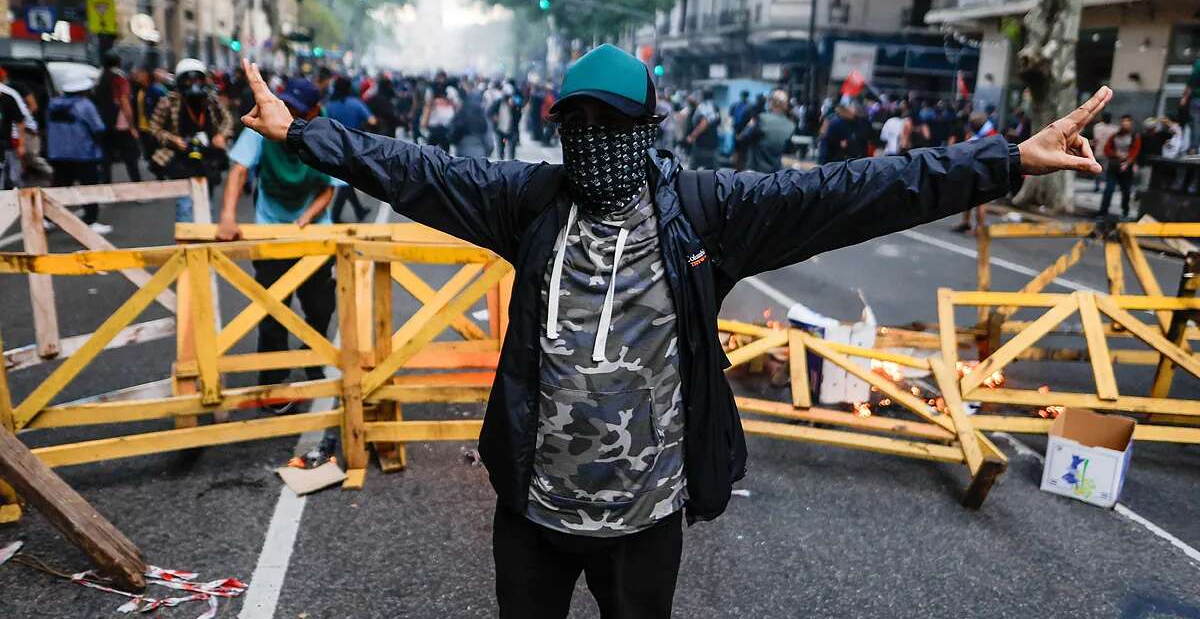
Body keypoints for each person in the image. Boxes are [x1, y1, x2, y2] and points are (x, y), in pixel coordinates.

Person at [237, 41, 1109, 618]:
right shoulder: (529, 203)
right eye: (574, 124)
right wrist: (305, 136)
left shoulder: (709, 213)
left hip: (645, 521)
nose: (590, 138)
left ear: (646, 127)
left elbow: (855, 190)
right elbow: (417, 170)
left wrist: (1004, 160)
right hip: (532, 514)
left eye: (609, 124)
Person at [216, 76, 340, 455]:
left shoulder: (324, 133)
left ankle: (313, 360)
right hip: (270, 231)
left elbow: (329, 187)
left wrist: (307, 218)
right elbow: (238, 171)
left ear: (314, 112)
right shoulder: (264, 127)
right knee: (272, 310)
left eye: (299, 112)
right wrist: (227, 217)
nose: (289, 116)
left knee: (321, 307)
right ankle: (274, 384)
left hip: (313, 232)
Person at [149, 58, 234, 222]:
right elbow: (154, 128)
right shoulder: (168, 102)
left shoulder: (211, 100)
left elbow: (227, 119)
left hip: (208, 156)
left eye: (197, 79)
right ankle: (187, 245)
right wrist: (173, 139)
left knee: (207, 204)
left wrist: (221, 135)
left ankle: (206, 241)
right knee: (185, 206)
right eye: (189, 79)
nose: (194, 83)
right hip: (182, 159)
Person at [45, 73, 109, 233]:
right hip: (84, 154)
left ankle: (48, 219)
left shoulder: (53, 105)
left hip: (58, 153)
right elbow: (98, 128)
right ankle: (91, 221)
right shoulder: (85, 105)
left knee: (59, 187)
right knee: (89, 188)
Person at [325, 75, 376, 222]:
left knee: (347, 180)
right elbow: (372, 120)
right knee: (347, 180)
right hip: (353, 147)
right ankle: (336, 214)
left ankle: (358, 210)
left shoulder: (329, 106)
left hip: (332, 147)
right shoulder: (356, 103)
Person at [94, 51, 142, 185]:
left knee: (106, 159)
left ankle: (106, 188)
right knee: (130, 157)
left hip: (104, 122)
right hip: (121, 124)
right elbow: (124, 101)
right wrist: (132, 126)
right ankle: (137, 186)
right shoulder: (120, 78)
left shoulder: (100, 77)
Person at [952, 111, 1000, 233]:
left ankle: (979, 227)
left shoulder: (988, 135)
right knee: (968, 196)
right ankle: (966, 222)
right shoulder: (985, 133)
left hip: (984, 170)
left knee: (981, 200)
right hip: (975, 168)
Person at [738, 89, 794, 173]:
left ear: (770, 103)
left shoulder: (761, 118)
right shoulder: (791, 125)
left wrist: (749, 126)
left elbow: (742, 138)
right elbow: (789, 149)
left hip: (755, 171)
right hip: (776, 172)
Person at [1098, 114, 1141, 220]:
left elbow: (1135, 150)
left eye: (1127, 121)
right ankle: (1103, 212)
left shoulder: (1134, 136)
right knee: (1109, 189)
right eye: (1123, 121)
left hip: (1127, 168)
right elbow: (1107, 149)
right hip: (1114, 166)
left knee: (1126, 191)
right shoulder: (1115, 136)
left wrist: (1128, 162)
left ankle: (1125, 212)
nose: (1124, 123)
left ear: (1131, 123)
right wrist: (1116, 155)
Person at [449, 86, 493, 158]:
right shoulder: (483, 117)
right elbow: (489, 142)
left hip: (462, 153)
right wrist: (487, 153)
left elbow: (452, 134)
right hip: (480, 155)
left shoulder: (461, 114)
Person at [422, 71, 459, 151]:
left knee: (445, 152)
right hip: (433, 126)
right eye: (438, 78)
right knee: (430, 152)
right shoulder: (431, 91)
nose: (440, 81)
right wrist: (425, 122)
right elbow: (427, 106)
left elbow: (456, 106)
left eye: (442, 78)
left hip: (446, 126)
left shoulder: (450, 91)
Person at [684, 89, 719, 169]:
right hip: (711, 143)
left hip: (702, 144)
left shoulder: (705, 106)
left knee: (692, 171)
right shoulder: (713, 106)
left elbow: (704, 123)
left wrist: (692, 136)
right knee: (712, 172)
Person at [489, 82, 522, 160]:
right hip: (499, 129)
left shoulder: (515, 103)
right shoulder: (498, 102)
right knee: (500, 152)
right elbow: (489, 112)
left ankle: (511, 166)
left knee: (511, 152)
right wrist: (494, 117)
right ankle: (500, 166)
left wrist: (514, 108)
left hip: (511, 130)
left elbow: (518, 115)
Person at [1089, 111, 1119, 193]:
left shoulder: (1112, 128)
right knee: (1101, 170)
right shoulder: (1101, 127)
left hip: (1106, 153)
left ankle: (1100, 185)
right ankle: (1100, 185)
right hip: (1101, 152)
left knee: (1102, 170)